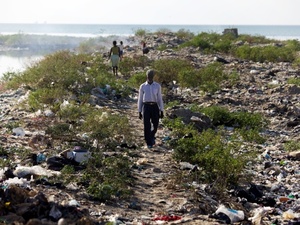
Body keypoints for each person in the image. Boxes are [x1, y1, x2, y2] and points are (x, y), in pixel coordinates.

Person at [137, 69, 164, 148]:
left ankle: (151, 135)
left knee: (155, 124)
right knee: (146, 124)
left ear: (153, 77)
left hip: (155, 106)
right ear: (147, 76)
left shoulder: (157, 86)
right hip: (146, 106)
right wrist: (139, 111)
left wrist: (161, 110)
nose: (150, 78)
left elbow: (159, 98)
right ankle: (148, 141)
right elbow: (140, 99)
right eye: (149, 76)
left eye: (151, 76)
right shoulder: (143, 86)